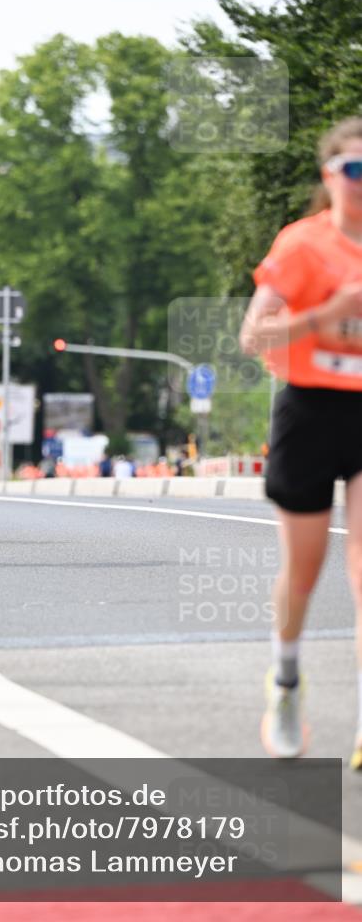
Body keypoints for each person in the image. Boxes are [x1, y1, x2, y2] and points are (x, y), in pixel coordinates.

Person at [240, 116, 362, 769]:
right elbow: (251, 337)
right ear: (329, 176)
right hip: (311, 410)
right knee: (305, 573)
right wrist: (327, 312)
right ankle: (285, 680)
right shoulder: (301, 246)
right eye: (354, 170)